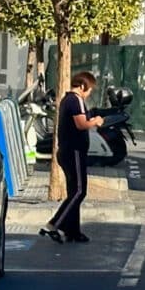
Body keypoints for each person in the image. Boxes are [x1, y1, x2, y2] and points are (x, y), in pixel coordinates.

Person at [40, 71, 104, 244]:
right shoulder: (76, 100)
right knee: (79, 191)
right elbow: (81, 124)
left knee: (73, 191)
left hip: (67, 151)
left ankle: (72, 230)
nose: (89, 93)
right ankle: (54, 224)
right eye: (89, 89)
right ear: (83, 86)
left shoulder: (67, 100)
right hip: (74, 151)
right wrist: (96, 121)